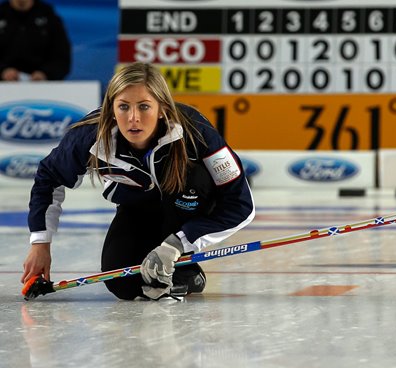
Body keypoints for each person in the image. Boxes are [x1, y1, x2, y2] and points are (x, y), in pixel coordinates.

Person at [21, 62, 255, 300]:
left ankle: (182, 265)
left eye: (144, 106)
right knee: (122, 285)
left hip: (190, 206)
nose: (133, 118)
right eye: (123, 107)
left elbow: (240, 205)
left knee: (193, 180)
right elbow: (48, 178)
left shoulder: (196, 131)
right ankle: (177, 271)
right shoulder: (89, 136)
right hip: (137, 208)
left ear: (162, 108)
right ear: (111, 109)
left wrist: (178, 244)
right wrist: (40, 244)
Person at [0, 0, 71, 81]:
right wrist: (3, 71)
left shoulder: (49, 17)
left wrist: (45, 73)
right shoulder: (1, 14)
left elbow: (62, 57)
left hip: (43, 86)